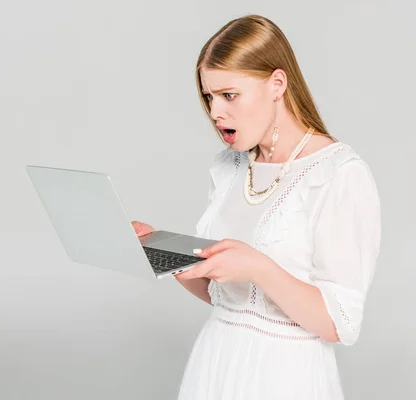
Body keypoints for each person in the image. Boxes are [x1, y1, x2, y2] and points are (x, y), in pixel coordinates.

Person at [131, 14, 381, 400]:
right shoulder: (229, 168)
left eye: (229, 95)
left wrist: (258, 267)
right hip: (215, 360)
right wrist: (170, 260)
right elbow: (229, 298)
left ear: (277, 84)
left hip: (286, 376)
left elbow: (341, 323)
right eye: (208, 97)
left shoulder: (338, 175)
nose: (215, 112)